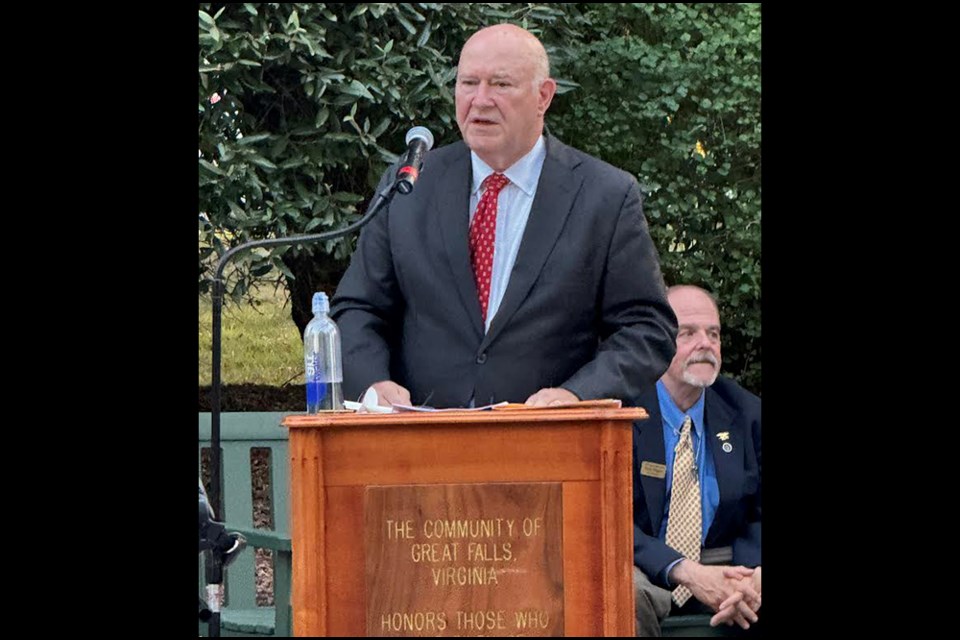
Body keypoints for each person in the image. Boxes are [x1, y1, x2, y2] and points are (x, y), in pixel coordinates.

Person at [331, 23, 677, 408]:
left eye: (500, 84)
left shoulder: (604, 195)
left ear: (543, 96)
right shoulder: (412, 182)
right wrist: (372, 383)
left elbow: (647, 329)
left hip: (549, 445)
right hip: (420, 442)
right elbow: (357, 308)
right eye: (468, 83)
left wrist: (578, 395)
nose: (480, 100)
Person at [632, 285, 761, 635]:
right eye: (687, 333)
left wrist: (756, 573)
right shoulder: (621, 411)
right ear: (659, 341)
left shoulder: (746, 412)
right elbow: (603, 519)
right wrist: (683, 570)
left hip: (726, 562)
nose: (705, 343)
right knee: (624, 595)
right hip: (643, 563)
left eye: (713, 333)